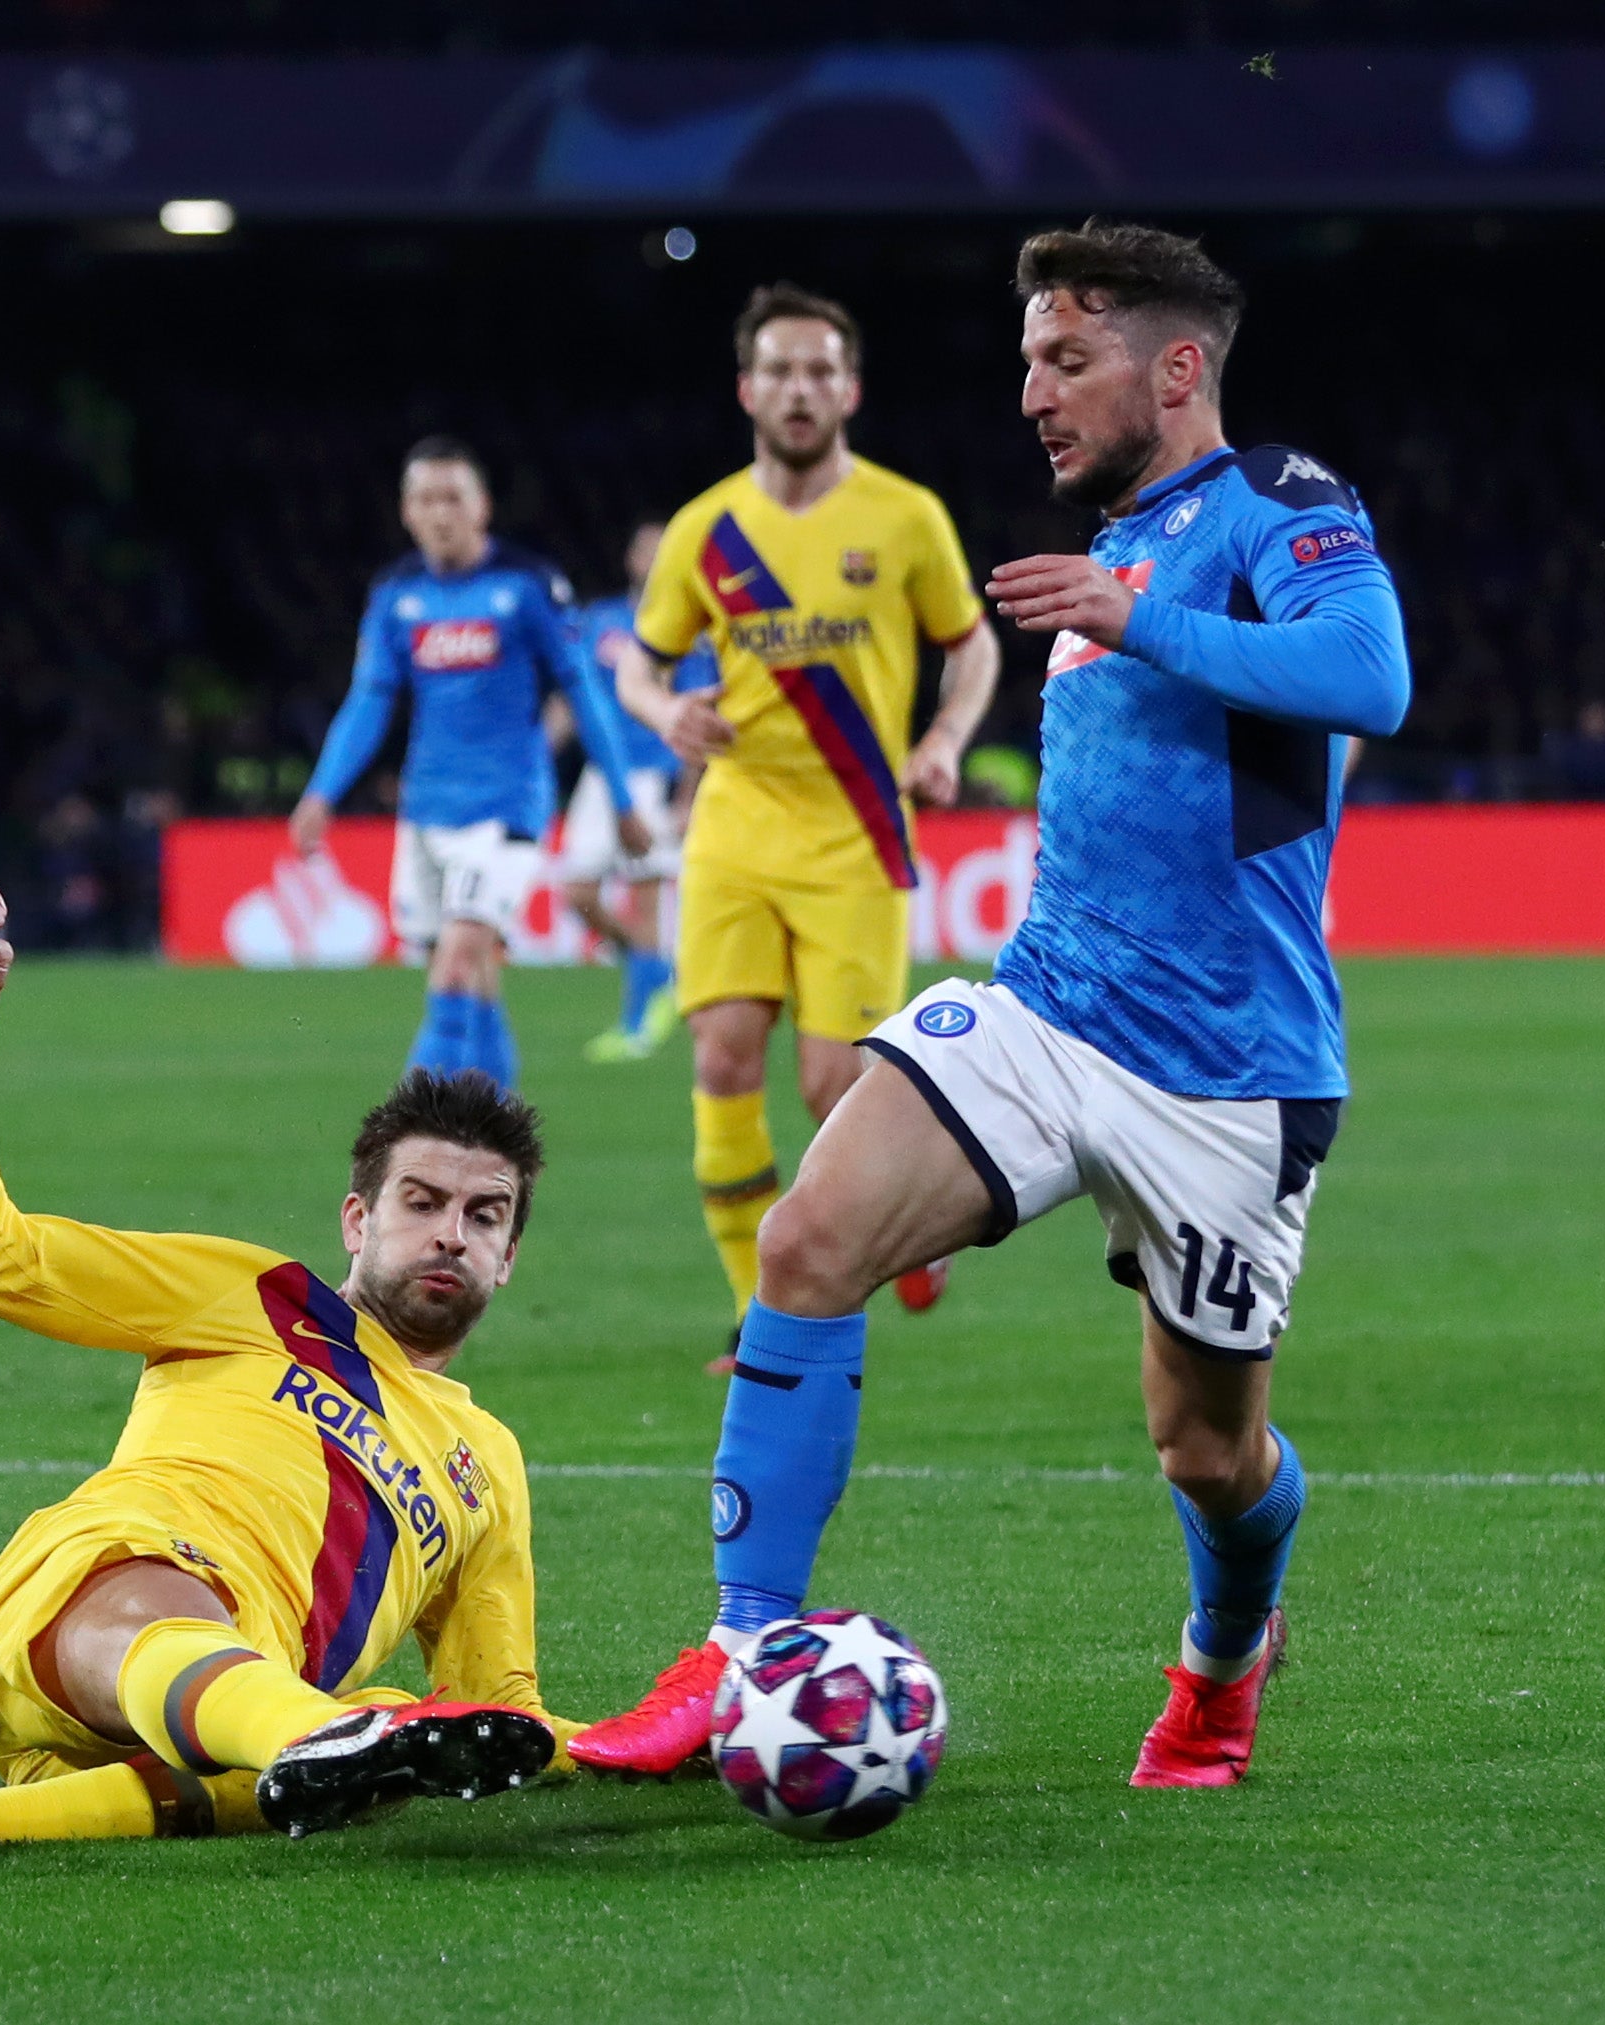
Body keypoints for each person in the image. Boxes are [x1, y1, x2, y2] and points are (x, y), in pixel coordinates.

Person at [573, 221, 1410, 1790]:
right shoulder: (1107, 548)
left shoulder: (1275, 502)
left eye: (1065, 359)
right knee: (808, 1241)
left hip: (1228, 1073)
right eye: (1024, 358)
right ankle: (746, 1643)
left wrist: (1128, 615)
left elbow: (1370, 681)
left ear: (1175, 369)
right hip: (1045, 1007)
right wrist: (1112, 604)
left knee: (1206, 1450)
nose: (1030, 390)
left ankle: (1221, 1662)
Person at [0, 877, 575, 1852]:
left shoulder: (487, 1462)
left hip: (222, 1727)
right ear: (358, 1218)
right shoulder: (253, 1297)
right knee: (178, 1603)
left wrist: (671, 1743)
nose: (450, 1236)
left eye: (483, 1216)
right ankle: (311, 1734)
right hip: (87, 1604)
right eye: (420, 1201)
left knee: (406, 1737)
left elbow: (497, 1716)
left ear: (508, 1257)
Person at [610, 285, 1000, 1335]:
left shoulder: (903, 516)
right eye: (779, 370)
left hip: (856, 831)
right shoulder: (704, 530)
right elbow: (635, 669)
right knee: (721, 1058)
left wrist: (942, 740)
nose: (798, 388)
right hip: (735, 823)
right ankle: (757, 1318)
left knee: (838, 1089)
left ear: (849, 389)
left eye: (818, 370)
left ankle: (914, 1229)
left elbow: (970, 646)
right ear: (746, 388)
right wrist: (664, 713)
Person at [291, 438, 649, 1093]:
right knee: (472, 971)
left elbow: (583, 689)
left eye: (453, 497)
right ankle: (501, 1124)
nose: (440, 512)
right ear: (406, 511)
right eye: (426, 499)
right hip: (426, 808)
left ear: (482, 506)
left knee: (455, 965)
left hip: (508, 806)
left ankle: (406, 1126)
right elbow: (370, 700)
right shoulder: (397, 593)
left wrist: (623, 798)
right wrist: (321, 792)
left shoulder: (526, 584)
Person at [554, 520, 717, 1064]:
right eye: (645, 548)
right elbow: (572, 695)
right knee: (577, 893)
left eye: (663, 550)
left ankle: (635, 1028)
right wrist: (539, 747)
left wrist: (687, 794)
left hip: (653, 774)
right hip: (601, 777)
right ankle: (658, 974)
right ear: (630, 558)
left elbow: (700, 710)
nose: (652, 558)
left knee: (645, 900)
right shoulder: (599, 620)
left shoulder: (689, 630)